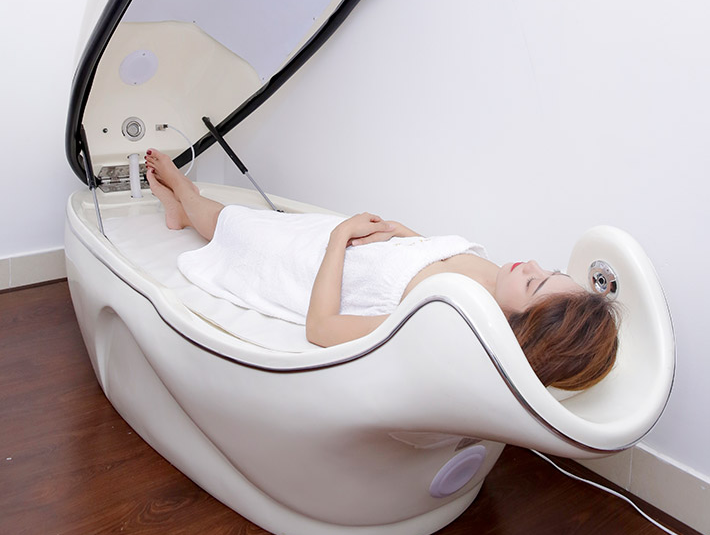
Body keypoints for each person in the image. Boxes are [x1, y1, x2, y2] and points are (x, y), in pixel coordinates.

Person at [144, 149, 619, 391]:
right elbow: (434, 255)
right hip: (345, 242)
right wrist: (395, 231)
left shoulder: (440, 317)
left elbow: (322, 328)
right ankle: (182, 208)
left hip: (311, 267)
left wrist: (339, 239)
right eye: (547, 269)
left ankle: (184, 195)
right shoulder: (494, 276)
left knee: (235, 227)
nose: (530, 264)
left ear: (519, 326)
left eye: (534, 282)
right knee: (260, 222)